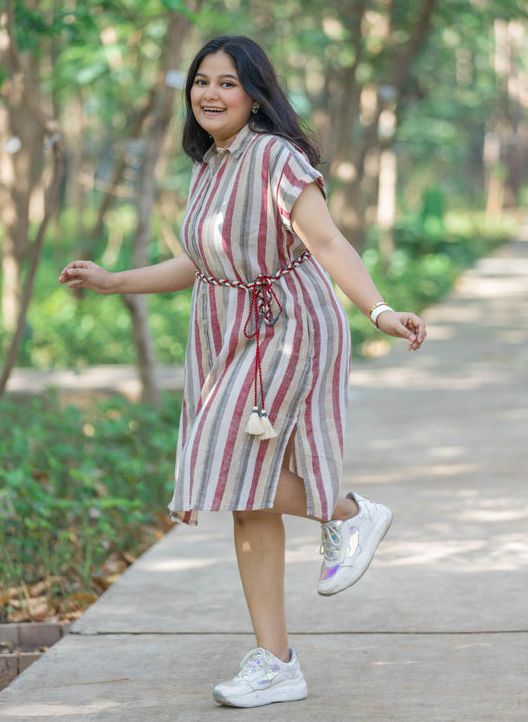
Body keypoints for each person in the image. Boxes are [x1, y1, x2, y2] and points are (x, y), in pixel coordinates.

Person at [59, 35, 427, 708]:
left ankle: (348, 511)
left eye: (226, 82)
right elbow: (202, 263)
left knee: (218, 458)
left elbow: (326, 241)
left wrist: (378, 311)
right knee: (248, 497)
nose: (209, 93)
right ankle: (275, 661)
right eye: (201, 81)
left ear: (255, 93)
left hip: (288, 327)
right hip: (228, 334)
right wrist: (115, 282)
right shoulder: (208, 167)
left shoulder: (274, 157)